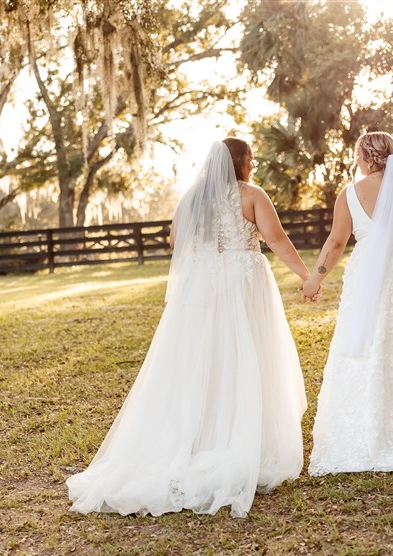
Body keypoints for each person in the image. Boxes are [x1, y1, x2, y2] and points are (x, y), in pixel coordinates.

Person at [67, 138, 313, 518]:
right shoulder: (251, 194)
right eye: (250, 159)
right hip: (243, 283)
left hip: (203, 289)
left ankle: (200, 438)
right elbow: (276, 238)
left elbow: (175, 242)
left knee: (201, 360)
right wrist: (305, 274)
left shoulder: (191, 197)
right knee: (245, 355)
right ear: (239, 162)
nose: (253, 165)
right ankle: (241, 438)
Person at [302, 131, 393, 475]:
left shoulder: (350, 194)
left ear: (365, 158)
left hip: (368, 270)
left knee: (367, 341)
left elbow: (337, 242)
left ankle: (368, 427)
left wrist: (314, 279)